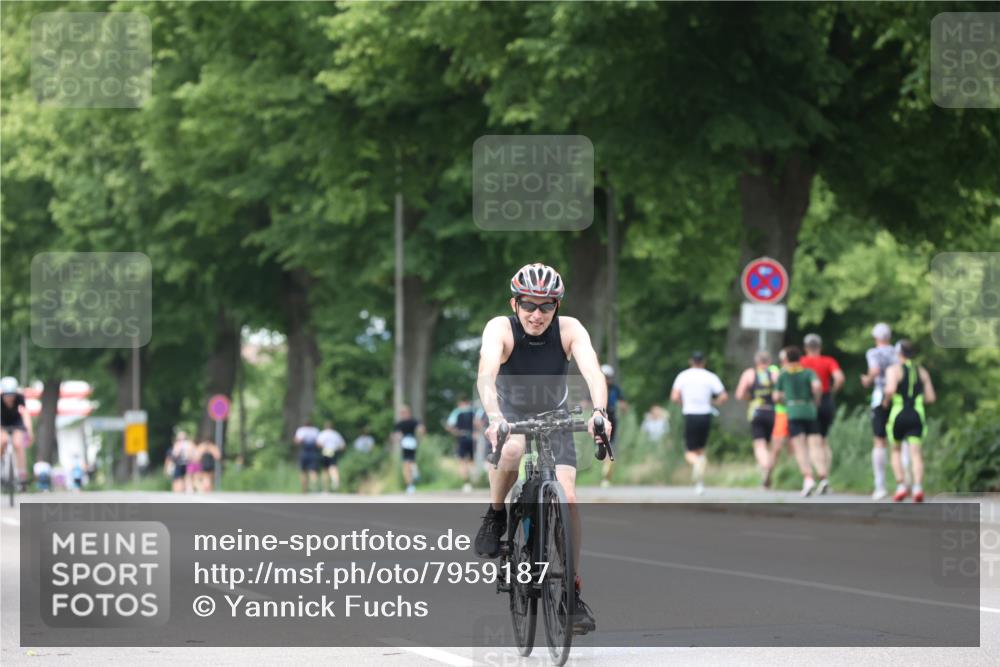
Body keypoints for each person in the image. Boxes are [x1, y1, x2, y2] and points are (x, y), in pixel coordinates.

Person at [473, 262, 609, 635]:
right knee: (513, 452)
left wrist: (599, 412)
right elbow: (486, 372)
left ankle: (571, 591)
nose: (537, 314)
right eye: (529, 305)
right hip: (510, 412)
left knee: (567, 495)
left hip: (556, 414)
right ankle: (496, 513)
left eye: (546, 306)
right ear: (514, 303)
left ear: (557, 307)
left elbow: (593, 371)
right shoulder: (500, 328)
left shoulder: (570, 330)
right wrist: (495, 416)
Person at [883, 340, 936, 503]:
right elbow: (931, 398)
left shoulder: (894, 370)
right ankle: (918, 487)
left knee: (896, 450)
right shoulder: (922, 371)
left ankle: (901, 486)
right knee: (916, 454)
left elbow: (890, 389)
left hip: (898, 413)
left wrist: (885, 403)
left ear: (899, 354)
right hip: (916, 415)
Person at [670, 351, 727, 495]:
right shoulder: (710, 376)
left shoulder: (683, 376)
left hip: (690, 414)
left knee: (690, 452)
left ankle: (697, 464)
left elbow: (674, 396)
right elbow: (724, 396)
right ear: (704, 361)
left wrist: (684, 403)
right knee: (700, 450)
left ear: (691, 361)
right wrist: (713, 402)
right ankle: (699, 484)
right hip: (705, 415)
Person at [774, 346, 826, 496]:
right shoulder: (808, 372)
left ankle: (808, 478)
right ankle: (823, 477)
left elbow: (776, 396)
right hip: (809, 409)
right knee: (816, 444)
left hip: (793, 410)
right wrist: (816, 401)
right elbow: (817, 386)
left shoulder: (783, 375)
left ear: (786, 359)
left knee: (800, 447)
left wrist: (785, 401)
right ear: (799, 358)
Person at [861, 323, 900, 500]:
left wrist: (867, 379)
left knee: (879, 440)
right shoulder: (897, 353)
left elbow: (875, 371)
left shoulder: (873, 353)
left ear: (875, 337)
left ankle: (880, 485)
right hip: (899, 398)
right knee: (900, 441)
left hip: (881, 396)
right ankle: (903, 484)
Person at [800, 334, 845, 483]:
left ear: (806, 348)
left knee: (813, 441)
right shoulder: (828, 361)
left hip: (809, 402)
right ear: (820, 347)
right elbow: (839, 378)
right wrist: (832, 391)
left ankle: (821, 476)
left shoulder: (802, 362)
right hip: (826, 400)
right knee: (824, 440)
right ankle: (826, 476)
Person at [735, 350, 779, 488]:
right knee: (771, 446)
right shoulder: (775, 374)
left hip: (757, 412)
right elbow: (780, 393)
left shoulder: (749, 374)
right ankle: (768, 472)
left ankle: (765, 468)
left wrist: (750, 398)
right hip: (773, 412)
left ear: (756, 362)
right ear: (769, 361)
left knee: (759, 445)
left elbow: (739, 394)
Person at [0, 377, 33, 489]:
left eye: (12, 394)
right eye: (7, 395)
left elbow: (25, 413)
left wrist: (29, 430)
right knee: (3, 441)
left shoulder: (19, 398)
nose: (9, 398)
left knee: (18, 444)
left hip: (16, 422)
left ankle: (22, 474)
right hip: (2, 422)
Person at [599, 365, 628, 488]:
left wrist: (622, 408)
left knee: (608, 445)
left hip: (611, 419)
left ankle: (606, 472)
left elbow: (623, 404)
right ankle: (606, 468)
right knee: (604, 446)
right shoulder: (598, 388)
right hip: (600, 418)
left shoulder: (615, 389)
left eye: (608, 377)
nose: (607, 380)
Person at [446, 396, 477, 493]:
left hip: (462, 437)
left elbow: (449, 426)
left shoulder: (457, 412)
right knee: (472, 460)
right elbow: (478, 423)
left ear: (461, 403)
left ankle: (466, 483)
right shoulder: (473, 411)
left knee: (462, 461)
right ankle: (474, 480)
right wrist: (476, 433)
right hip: (471, 437)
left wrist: (455, 432)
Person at [392, 405, 425, 494]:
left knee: (406, 465)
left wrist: (397, 438)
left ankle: (410, 485)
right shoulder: (414, 421)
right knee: (412, 461)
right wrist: (420, 437)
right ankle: (414, 471)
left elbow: (396, 436)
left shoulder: (400, 424)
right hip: (413, 443)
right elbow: (421, 429)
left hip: (406, 443)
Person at [318, 420, 346, 493]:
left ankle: (325, 489)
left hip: (325, 451)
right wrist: (337, 449)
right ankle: (335, 483)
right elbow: (343, 445)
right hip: (333, 451)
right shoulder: (336, 434)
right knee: (334, 467)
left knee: (325, 470)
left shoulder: (323, 433)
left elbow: (318, 444)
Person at [294, 419, 321, 494]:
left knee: (303, 471)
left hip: (304, 452)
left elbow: (296, 441)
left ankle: (304, 489)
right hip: (313, 452)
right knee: (313, 471)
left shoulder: (301, 430)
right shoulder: (315, 430)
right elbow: (319, 444)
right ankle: (314, 487)